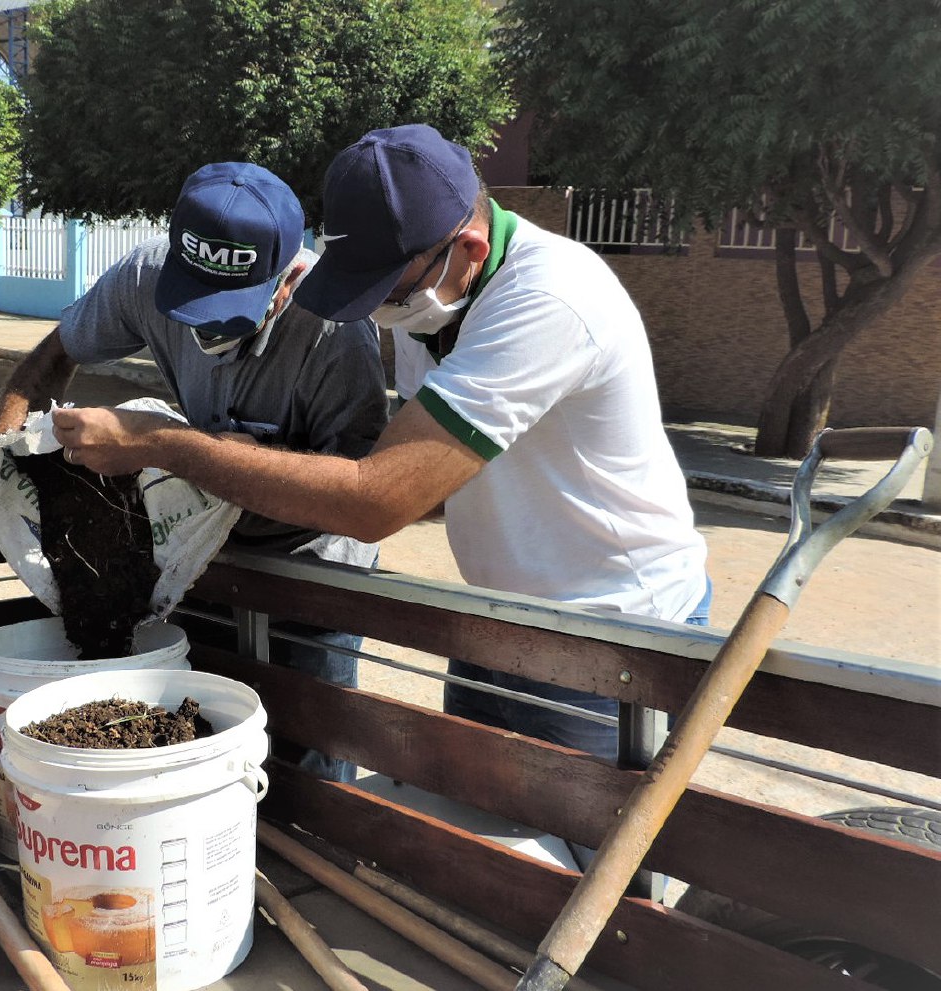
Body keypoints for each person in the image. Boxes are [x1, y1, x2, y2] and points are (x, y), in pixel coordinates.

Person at [51, 125, 712, 761]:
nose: (375, 312)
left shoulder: (549, 300)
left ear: (469, 249)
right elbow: (428, 486)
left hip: (612, 634)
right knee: (474, 822)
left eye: (386, 289)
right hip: (502, 618)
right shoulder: (439, 302)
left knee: (577, 837)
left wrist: (167, 445)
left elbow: (376, 501)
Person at [0, 162, 389, 782]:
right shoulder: (146, 275)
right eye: (192, 303)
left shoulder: (336, 334)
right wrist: (4, 443)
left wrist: (169, 446)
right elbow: (61, 346)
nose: (205, 327)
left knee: (308, 768)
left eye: (229, 311)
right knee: (205, 744)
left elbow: (350, 501)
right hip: (204, 558)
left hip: (310, 575)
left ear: (288, 280)